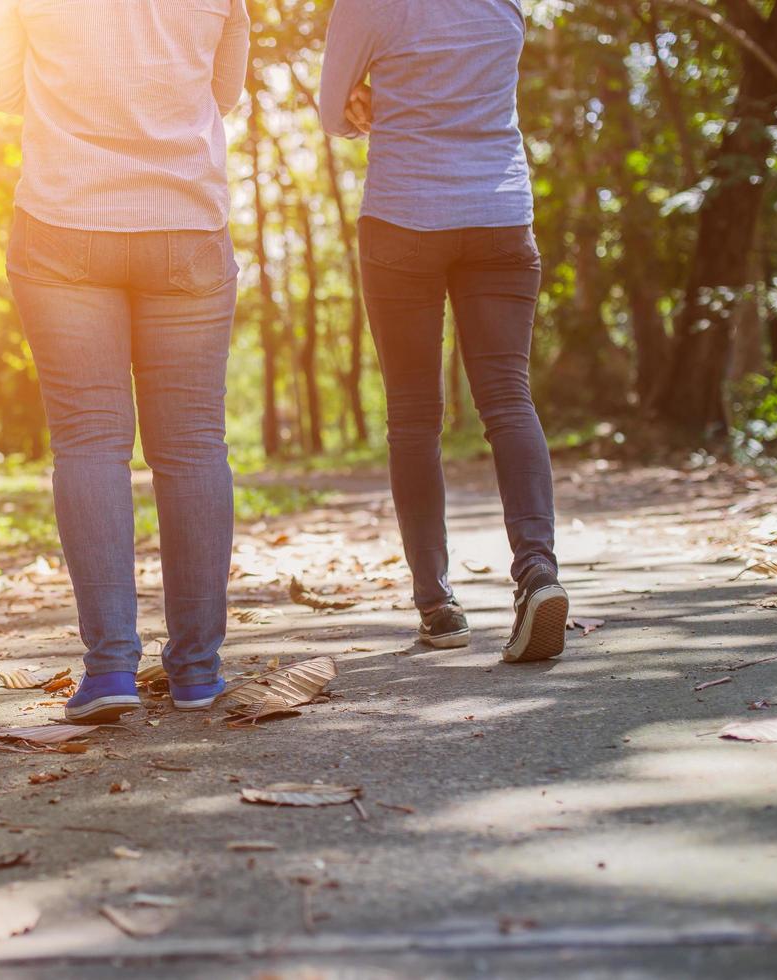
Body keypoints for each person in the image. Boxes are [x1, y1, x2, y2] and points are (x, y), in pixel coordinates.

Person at [0, 0, 251, 721]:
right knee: (192, 448)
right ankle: (196, 672)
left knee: (91, 444)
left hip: (65, 224)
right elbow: (224, 91)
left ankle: (110, 671)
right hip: (185, 223)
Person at [319, 0, 569, 662]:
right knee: (508, 398)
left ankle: (438, 606)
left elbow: (330, 111)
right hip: (499, 213)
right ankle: (538, 574)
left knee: (413, 415)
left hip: (405, 217)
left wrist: (361, 104)